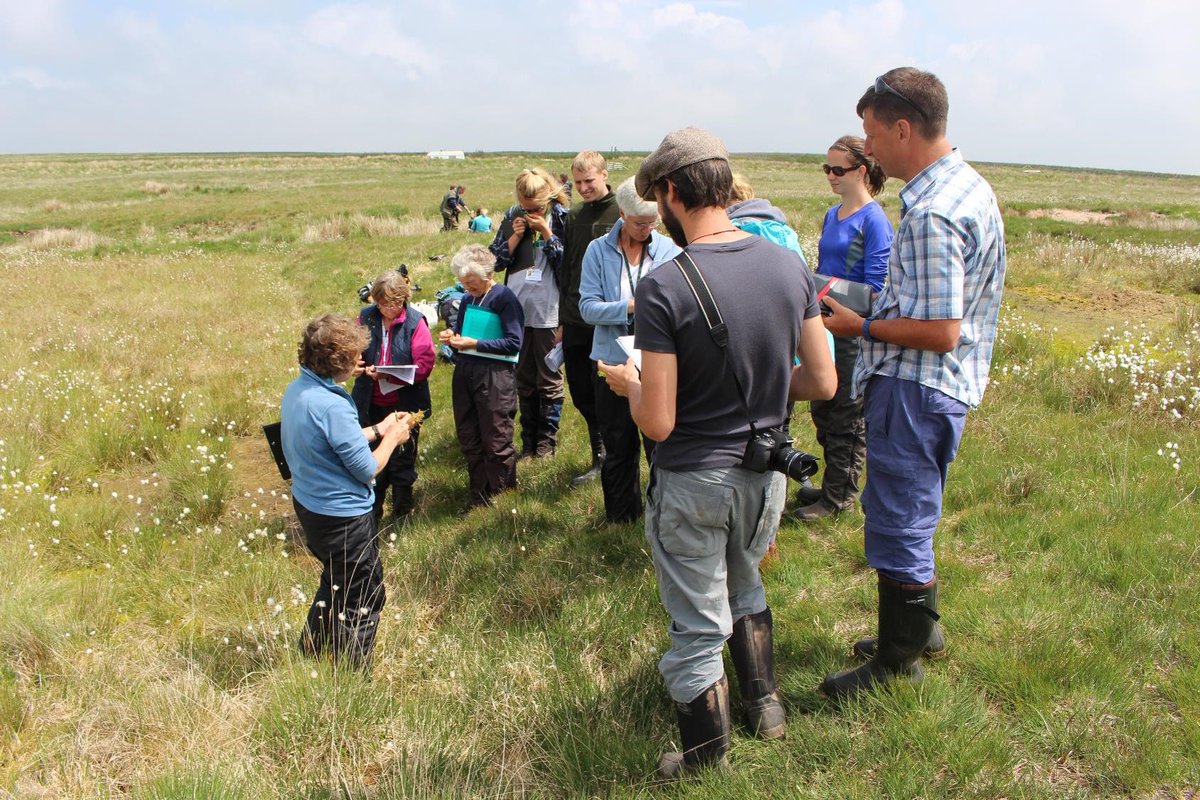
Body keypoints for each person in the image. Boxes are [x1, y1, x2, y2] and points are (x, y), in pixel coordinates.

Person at [600, 128, 836, 778]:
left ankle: (705, 762)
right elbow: (821, 381)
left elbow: (659, 421)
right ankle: (767, 708)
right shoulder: (789, 264)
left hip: (694, 484)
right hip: (767, 477)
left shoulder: (664, 287)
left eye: (660, 203)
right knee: (747, 581)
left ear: (673, 193)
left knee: (699, 625)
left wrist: (630, 386)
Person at [819, 68, 1006, 698]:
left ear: (903, 128)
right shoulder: (965, 187)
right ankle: (919, 630)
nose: (868, 148)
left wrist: (861, 324)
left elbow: (940, 329)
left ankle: (897, 662)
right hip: (938, 387)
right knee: (915, 511)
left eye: (873, 133)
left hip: (916, 386)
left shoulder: (930, 213)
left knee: (898, 518)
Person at [280, 313, 413, 666]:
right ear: (339, 361)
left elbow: (334, 443)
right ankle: (351, 680)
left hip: (311, 508)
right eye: (355, 355)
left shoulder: (299, 390)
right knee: (364, 597)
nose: (360, 361)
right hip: (343, 518)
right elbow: (367, 468)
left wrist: (378, 428)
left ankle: (311, 648)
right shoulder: (334, 404)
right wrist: (394, 438)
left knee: (336, 580)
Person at [794, 136, 893, 522]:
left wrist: (839, 302)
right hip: (825, 324)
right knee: (823, 404)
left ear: (861, 171)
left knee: (846, 413)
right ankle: (833, 483)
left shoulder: (874, 221)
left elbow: (877, 289)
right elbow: (823, 266)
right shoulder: (832, 215)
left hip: (851, 330)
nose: (831, 177)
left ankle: (838, 498)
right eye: (826, 169)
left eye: (838, 169)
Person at [578, 177, 681, 523]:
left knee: (660, 442)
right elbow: (587, 308)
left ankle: (664, 514)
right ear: (621, 214)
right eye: (639, 223)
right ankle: (621, 518)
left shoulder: (670, 251)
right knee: (618, 444)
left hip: (657, 362)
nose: (647, 229)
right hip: (611, 361)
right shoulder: (597, 251)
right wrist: (632, 307)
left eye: (653, 222)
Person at [488, 168, 569, 458]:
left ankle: (546, 442)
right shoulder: (513, 216)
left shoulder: (560, 217)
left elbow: (568, 265)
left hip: (549, 309)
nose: (531, 211)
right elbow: (493, 262)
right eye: (526, 207)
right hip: (517, 309)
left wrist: (547, 234)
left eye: (537, 208)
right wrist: (514, 238)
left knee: (548, 376)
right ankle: (528, 441)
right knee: (523, 377)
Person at [439, 244, 525, 507]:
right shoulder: (466, 299)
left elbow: (514, 342)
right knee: (469, 435)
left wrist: (475, 344)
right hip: (466, 372)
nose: (468, 288)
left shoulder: (505, 298)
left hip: (495, 376)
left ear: (489, 277)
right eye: (464, 283)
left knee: (496, 437)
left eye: (473, 283)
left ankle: (502, 498)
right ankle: (479, 496)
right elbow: (460, 330)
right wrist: (451, 337)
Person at [352, 270, 436, 524]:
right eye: (383, 303)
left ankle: (402, 512)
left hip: (405, 404)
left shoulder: (415, 322)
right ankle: (372, 513)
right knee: (371, 458)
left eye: (395, 303)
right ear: (375, 301)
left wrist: (390, 376)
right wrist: (354, 364)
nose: (389, 308)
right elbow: (353, 349)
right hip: (369, 401)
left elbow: (425, 363)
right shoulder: (366, 318)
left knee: (402, 457)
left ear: (404, 299)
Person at [561, 151, 620, 486]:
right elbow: (568, 267)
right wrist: (561, 319)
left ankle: (614, 458)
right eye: (578, 182)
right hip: (575, 318)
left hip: (610, 318)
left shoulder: (622, 212)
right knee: (582, 392)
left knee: (608, 391)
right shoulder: (574, 216)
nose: (583, 188)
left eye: (589, 181)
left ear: (604, 174)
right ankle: (598, 456)